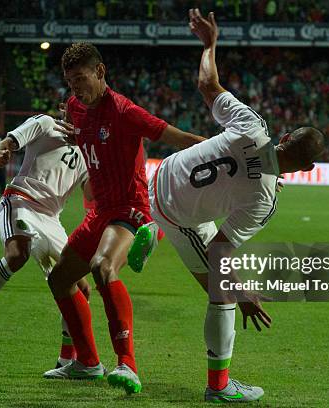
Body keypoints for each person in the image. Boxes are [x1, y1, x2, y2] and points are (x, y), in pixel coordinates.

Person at [129, 9, 325, 403]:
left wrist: (210, 43)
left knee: (217, 267)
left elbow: (207, 83)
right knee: (224, 294)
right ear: (307, 168)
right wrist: (242, 291)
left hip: (161, 175)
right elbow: (220, 248)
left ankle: (149, 226)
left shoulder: (253, 125)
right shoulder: (264, 199)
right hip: (178, 211)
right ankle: (218, 387)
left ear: (284, 136)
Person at [42, 42, 205, 394]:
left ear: (100, 72)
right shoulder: (75, 106)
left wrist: (232, 161)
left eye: (81, 79)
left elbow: (182, 139)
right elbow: (76, 124)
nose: (76, 90)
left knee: (103, 268)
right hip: (99, 211)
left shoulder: (125, 111)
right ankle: (87, 362)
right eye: (70, 83)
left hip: (130, 208)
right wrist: (69, 126)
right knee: (59, 280)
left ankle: (127, 365)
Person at [0, 114, 92, 369]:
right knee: (17, 254)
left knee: (81, 289)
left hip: (52, 219)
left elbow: (91, 196)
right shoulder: (47, 123)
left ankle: (65, 360)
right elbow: (7, 143)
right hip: (21, 200)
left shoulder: (90, 153)